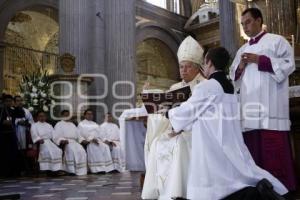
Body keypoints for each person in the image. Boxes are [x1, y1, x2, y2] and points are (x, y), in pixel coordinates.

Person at [167, 47, 288, 200]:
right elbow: (206, 113)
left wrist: (168, 113)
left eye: (204, 62)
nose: (204, 66)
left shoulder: (207, 86)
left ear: (209, 63)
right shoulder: (229, 86)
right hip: (229, 139)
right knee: (238, 172)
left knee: (216, 180)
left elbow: (188, 110)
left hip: (212, 140)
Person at [229, 7, 296, 190]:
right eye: (242, 24)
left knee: (273, 151)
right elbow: (233, 78)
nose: (245, 27)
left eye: (248, 22)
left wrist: (261, 60)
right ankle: (258, 190)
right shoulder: (242, 50)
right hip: (249, 110)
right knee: (253, 154)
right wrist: (241, 65)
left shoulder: (277, 42)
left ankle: (280, 189)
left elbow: (288, 64)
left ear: (259, 20)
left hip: (271, 108)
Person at [142, 36, 206, 200]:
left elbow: (204, 114)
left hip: (195, 131)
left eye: (187, 67)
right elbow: (166, 112)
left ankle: (179, 191)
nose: (183, 70)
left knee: (179, 144)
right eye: (181, 67)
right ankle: (162, 191)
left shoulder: (204, 85)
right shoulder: (175, 88)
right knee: (158, 142)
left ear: (198, 68)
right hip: (175, 129)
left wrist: (181, 127)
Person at [78, 109, 114, 173]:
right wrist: (90, 139)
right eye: (88, 114)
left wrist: (105, 140)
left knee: (105, 147)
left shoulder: (95, 124)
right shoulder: (81, 124)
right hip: (89, 142)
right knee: (95, 148)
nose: (90, 115)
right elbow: (79, 135)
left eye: (91, 114)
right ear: (85, 115)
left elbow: (101, 134)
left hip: (98, 140)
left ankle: (107, 168)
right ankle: (97, 169)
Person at [53, 110, 87, 176]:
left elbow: (78, 134)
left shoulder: (72, 124)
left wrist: (82, 140)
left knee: (81, 151)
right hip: (66, 142)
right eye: (65, 115)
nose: (67, 116)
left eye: (68, 115)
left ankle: (81, 170)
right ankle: (71, 170)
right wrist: (61, 140)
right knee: (71, 151)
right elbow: (56, 135)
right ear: (62, 116)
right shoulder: (59, 124)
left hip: (74, 142)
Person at [0, 94, 20, 177]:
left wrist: (17, 106)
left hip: (11, 134)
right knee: (4, 154)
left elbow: (20, 114)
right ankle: (4, 172)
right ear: (3, 102)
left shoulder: (12, 110)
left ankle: (14, 172)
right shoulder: (1, 110)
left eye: (10, 101)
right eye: (7, 101)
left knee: (13, 153)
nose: (9, 103)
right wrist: (2, 122)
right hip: (3, 135)